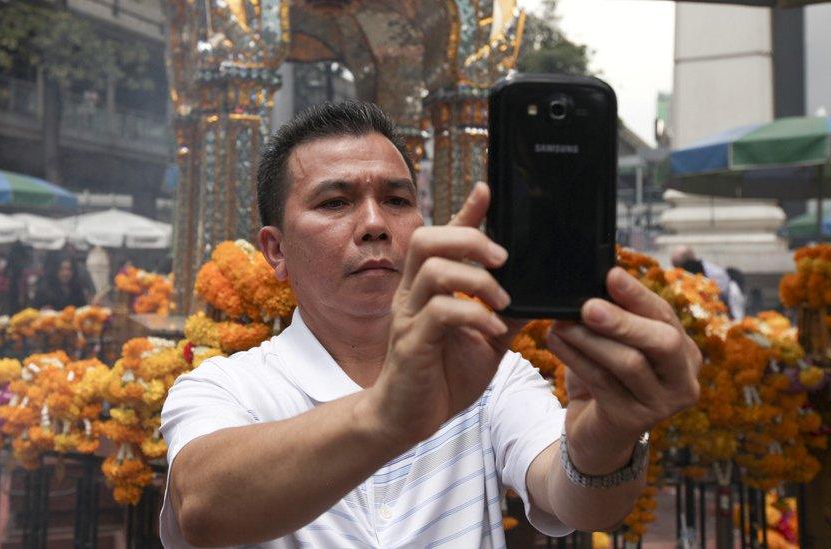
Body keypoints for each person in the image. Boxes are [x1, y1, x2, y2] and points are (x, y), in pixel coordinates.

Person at [159, 102, 701, 547]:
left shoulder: (490, 374)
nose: (374, 224)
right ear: (275, 250)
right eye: (335, 201)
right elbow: (202, 507)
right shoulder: (223, 386)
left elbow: (580, 501)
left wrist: (609, 434)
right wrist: (387, 415)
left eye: (396, 200)